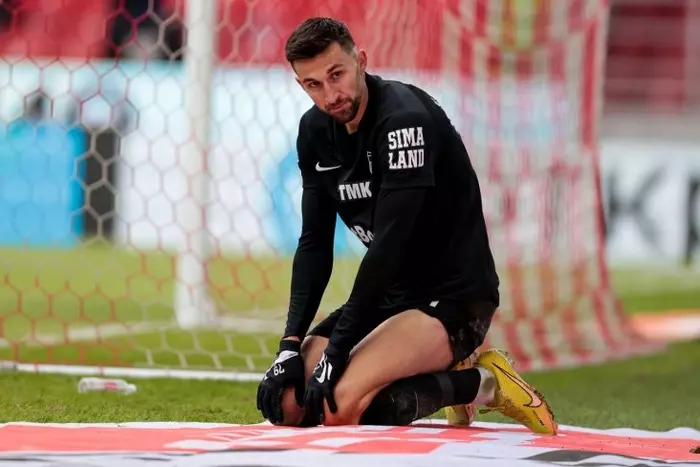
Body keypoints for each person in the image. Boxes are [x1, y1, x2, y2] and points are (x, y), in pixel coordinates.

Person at [256, 17, 558, 435]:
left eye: (336, 75)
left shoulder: (403, 120)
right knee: (288, 404)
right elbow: (314, 244)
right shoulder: (314, 131)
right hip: (391, 293)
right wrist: (289, 345)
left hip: (453, 296)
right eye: (313, 85)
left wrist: (337, 350)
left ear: (361, 61)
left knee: (338, 407)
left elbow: (390, 245)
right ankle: (422, 367)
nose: (330, 94)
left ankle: (484, 383)